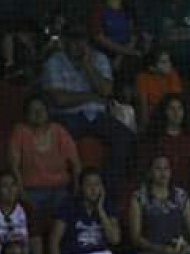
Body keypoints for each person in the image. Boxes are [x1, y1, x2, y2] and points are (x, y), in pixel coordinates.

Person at [42, 24, 134, 203]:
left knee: (125, 137)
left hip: (97, 116)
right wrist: (91, 96)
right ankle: (68, 194)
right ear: (65, 41)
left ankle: (106, 192)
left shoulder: (99, 59)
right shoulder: (54, 61)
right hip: (65, 116)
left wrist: (87, 66)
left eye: (82, 41)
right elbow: (59, 100)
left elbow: (106, 91)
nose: (79, 45)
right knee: (58, 140)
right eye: (74, 41)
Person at [8, 94, 81, 218]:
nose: (38, 113)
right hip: (32, 190)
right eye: (33, 110)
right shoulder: (20, 131)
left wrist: (77, 188)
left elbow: (76, 163)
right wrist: (21, 191)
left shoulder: (58, 131)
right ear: (26, 114)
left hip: (60, 188)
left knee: (64, 219)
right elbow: (13, 165)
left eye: (41, 109)